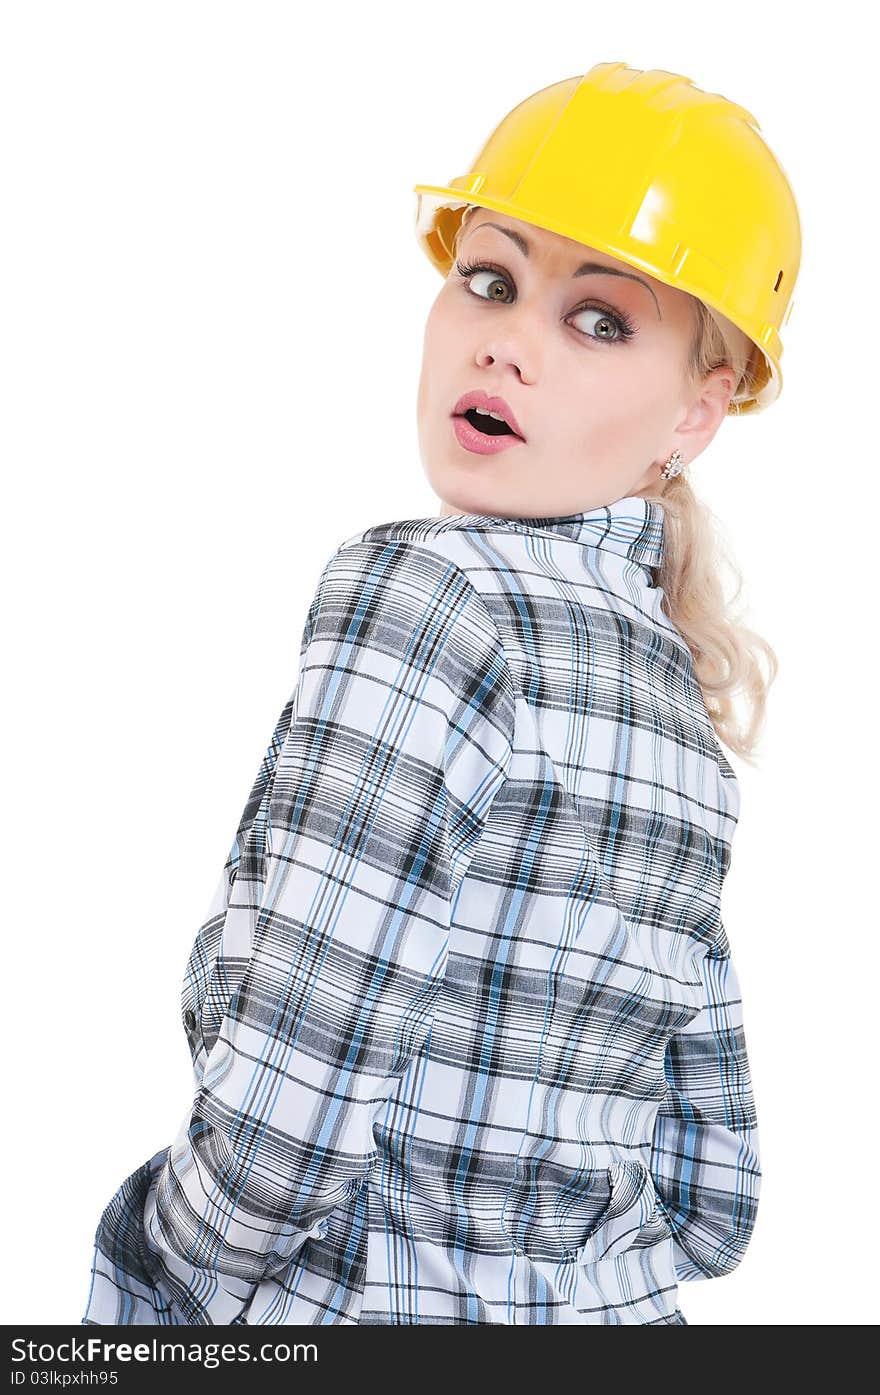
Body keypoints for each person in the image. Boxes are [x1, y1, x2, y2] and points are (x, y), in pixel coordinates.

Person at [82, 60, 800, 1326]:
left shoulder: (424, 599)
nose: (506, 339)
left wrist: (168, 1254)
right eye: (490, 277)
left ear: (698, 413)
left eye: (597, 318)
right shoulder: (681, 714)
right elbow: (710, 1185)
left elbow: (281, 1128)